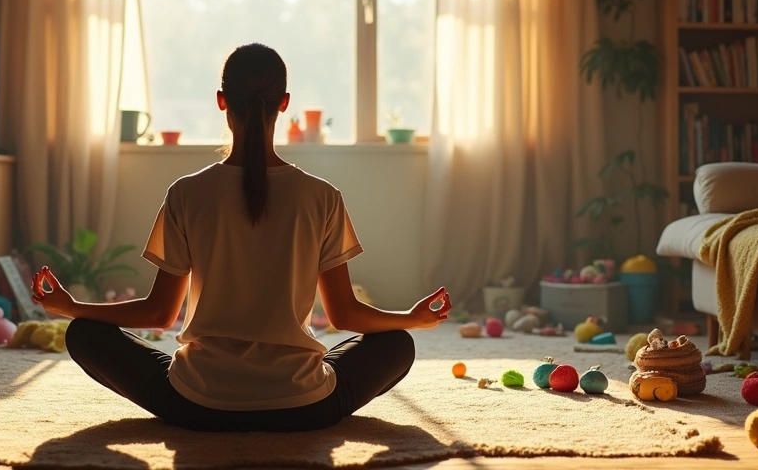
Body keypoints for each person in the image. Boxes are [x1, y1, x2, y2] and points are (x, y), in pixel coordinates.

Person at [32, 43, 451, 432]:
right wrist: (412, 319)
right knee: (396, 344)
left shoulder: (186, 193)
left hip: (196, 404)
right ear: (284, 104)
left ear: (221, 101)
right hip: (303, 407)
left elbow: (160, 313)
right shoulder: (322, 196)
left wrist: (72, 307)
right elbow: (344, 316)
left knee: (84, 334)